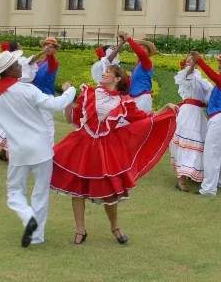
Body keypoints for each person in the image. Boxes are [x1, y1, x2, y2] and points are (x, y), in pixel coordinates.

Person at [51, 64, 178, 245]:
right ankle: (80, 230)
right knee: (77, 188)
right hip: (82, 143)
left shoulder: (124, 102)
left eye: (108, 72)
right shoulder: (89, 92)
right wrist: (67, 98)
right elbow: (72, 118)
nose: (104, 73)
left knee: (109, 190)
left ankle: (114, 226)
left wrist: (165, 108)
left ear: (118, 79)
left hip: (105, 148)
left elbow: (145, 119)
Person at [0, 50, 76, 248]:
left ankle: (27, 216)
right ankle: (37, 234)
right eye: (16, 65)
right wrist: (71, 91)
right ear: (9, 71)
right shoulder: (27, 90)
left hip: (19, 151)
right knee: (40, 193)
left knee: (15, 191)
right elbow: (55, 104)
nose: (20, 66)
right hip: (41, 148)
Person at [0, 41, 50, 162]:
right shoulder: (16, 59)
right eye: (19, 45)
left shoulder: (12, 59)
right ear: (16, 48)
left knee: (16, 121)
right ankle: (19, 152)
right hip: (20, 90)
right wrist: (42, 52)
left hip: (17, 89)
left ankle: (4, 151)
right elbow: (30, 61)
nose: (21, 46)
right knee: (21, 122)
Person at [190, 51, 221, 195]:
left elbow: (213, 76)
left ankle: (208, 189)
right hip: (219, 118)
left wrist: (200, 61)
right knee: (217, 154)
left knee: (211, 153)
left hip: (219, 119)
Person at [170, 55, 213, 192]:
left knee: (198, 144)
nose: (190, 62)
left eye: (193, 60)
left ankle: (191, 174)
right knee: (186, 144)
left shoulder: (202, 80)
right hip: (187, 113)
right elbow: (188, 74)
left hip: (198, 113)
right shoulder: (185, 75)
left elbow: (208, 99)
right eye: (188, 61)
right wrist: (193, 65)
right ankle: (181, 180)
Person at [33, 37, 61, 146]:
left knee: (47, 125)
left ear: (55, 49)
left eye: (52, 46)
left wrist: (49, 54)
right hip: (35, 97)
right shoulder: (39, 62)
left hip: (46, 97)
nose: (48, 47)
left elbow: (51, 59)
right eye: (46, 45)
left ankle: (50, 152)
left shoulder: (53, 62)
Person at [122, 33, 156, 113]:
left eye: (145, 48)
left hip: (142, 97)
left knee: (139, 123)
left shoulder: (147, 62)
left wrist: (129, 39)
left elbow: (141, 53)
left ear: (148, 53)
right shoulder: (138, 65)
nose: (142, 49)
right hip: (135, 97)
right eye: (141, 47)